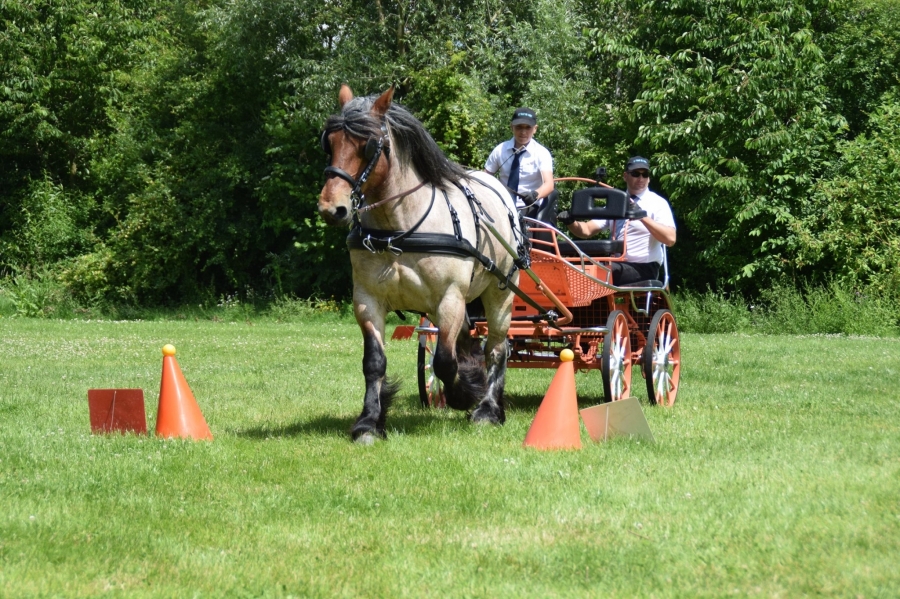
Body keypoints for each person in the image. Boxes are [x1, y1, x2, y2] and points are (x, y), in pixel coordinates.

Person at [559, 156, 676, 285]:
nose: (641, 178)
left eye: (645, 174)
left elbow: (670, 239)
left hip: (644, 267)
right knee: (571, 268)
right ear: (625, 176)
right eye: (636, 174)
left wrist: (642, 216)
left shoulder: (658, 203)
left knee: (595, 272)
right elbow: (586, 230)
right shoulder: (617, 202)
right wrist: (570, 222)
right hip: (615, 265)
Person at [484, 107, 555, 211]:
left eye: (527, 128)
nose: (523, 132)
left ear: (535, 129)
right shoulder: (500, 150)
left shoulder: (542, 153)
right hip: (502, 205)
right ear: (511, 127)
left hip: (530, 207)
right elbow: (485, 177)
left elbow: (549, 184)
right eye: (519, 127)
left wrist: (535, 194)